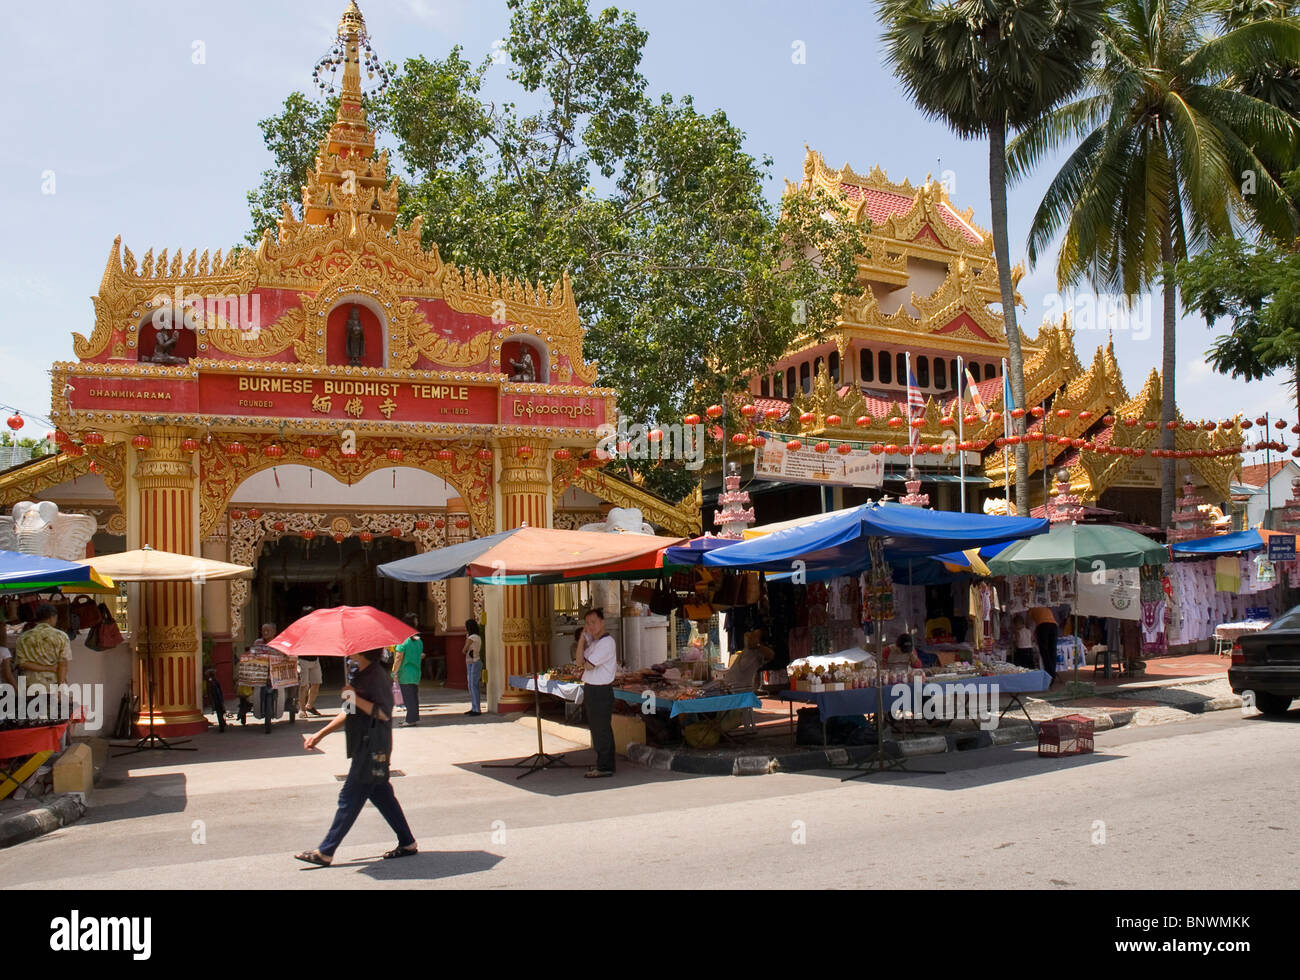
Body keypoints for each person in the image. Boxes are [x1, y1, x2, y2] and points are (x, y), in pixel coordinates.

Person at [295, 648, 417, 866]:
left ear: (364, 651)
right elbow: (348, 710)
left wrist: (355, 698)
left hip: (374, 745)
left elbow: (383, 713)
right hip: (361, 743)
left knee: (349, 797)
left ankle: (325, 851)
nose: (349, 651)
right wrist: (320, 734)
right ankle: (407, 842)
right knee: (381, 794)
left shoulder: (377, 676)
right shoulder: (355, 672)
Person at [575, 607, 617, 778]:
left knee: (601, 729)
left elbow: (588, 665)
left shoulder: (607, 643)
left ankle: (605, 766)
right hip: (592, 688)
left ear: (602, 622)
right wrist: (581, 640)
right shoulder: (594, 643)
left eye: (593, 622)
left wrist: (585, 664)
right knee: (597, 728)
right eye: (587, 624)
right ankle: (604, 763)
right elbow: (579, 662)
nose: (590, 626)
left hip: (601, 690)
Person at [14, 603, 70, 689]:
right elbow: (63, 665)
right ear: (52, 617)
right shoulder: (61, 636)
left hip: (30, 685)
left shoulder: (23, 637)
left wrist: (47, 668)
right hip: (53, 684)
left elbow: (22, 664)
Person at [392, 614, 423, 727]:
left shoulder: (403, 641)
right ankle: (413, 718)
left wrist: (394, 672)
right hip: (415, 672)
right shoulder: (418, 641)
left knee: (408, 697)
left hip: (405, 673)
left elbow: (398, 657)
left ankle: (410, 719)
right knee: (413, 696)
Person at [296, 606, 322, 717]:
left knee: (316, 683)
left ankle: (309, 706)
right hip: (303, 659)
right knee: (304, 686)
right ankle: (301, 709)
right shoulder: (300, 628)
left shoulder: (317, 627)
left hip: (315, 659)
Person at [1029, 605, 1059, 686]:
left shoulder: (1031, 609)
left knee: (1044, 652)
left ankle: (1050, 675)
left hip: (1043, 626)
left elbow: (1028, 625)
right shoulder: (1045, 608)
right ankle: (1052, 674)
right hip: (1054, 626)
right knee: (1052, 651)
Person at [463, 619, 483, 716]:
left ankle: (477, 709)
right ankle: (474, 707)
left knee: (472, 685)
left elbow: (464, 649)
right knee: (472, 685)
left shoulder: (472, 637)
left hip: (474, 662)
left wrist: (467, 639)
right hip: (472, 662)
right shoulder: (477, 637)